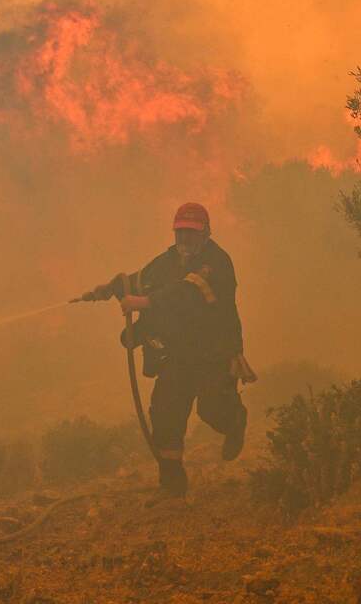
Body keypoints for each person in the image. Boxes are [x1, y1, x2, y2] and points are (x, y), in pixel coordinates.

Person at [88, 202, 252, 499]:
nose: (185, 240)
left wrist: (145, 303)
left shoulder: (216, 262)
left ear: (206, 233)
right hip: (177, 355)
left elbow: (187, 293)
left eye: (192, 233)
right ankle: (172, 482)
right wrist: (112, 288)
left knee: (212, 408)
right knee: (166, 413)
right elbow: (140, 280)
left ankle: (235, 420)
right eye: (181, 233)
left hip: (213, 352)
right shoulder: (166, 261)